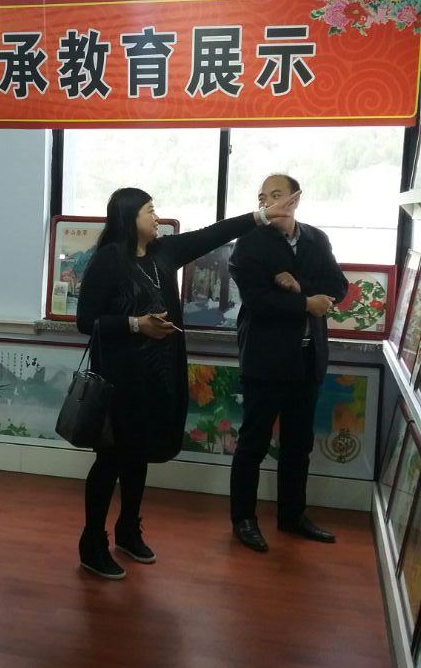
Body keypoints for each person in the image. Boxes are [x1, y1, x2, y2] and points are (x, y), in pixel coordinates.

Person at [75, 186, 299, 579]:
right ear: (129, 217)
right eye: (149, 210)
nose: (157, 217)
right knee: (110, 460)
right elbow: (85, 322)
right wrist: (135, 324)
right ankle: (92, 542)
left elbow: (214, 233)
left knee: (139, 455)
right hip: (119, 380)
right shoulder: (108, 261)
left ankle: (128, 529)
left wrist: (262, 216)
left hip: (157, 376)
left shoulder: (164, 252)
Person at [228, 173, 348, 552]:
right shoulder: (249, 243)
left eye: (276, 194)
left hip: (308, 359)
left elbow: (338, 286)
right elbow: (258, 300)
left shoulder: (316, 239)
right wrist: (305, 302)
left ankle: (292, 516)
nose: (268, 202)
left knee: (299, 445)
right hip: (265, 360)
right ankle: (243, 519)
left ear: (295, 199)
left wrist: (299, 289)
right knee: (253, 443)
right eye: (263, 197)